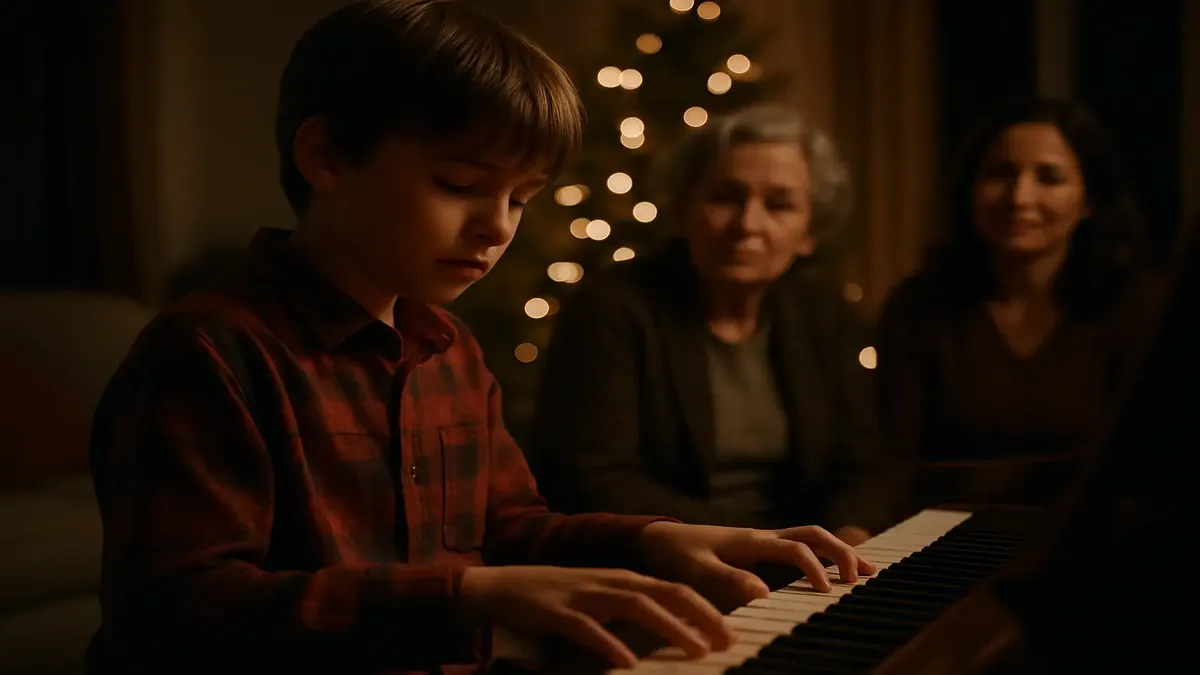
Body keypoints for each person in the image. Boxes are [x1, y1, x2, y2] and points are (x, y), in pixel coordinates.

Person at [86, 2, 874, 674]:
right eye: (459, 185)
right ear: (326, 156)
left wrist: (658, 538)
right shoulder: (210, 349)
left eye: (521, 198)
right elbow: (178, 609)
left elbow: (508, 525)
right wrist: (470, 592)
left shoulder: (447, 345)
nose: (496, 226)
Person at [530, 105, 901, 546]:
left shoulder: (823, 314)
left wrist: (849, 531)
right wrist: (758, 542)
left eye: (779, 204)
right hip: (662, 558)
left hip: (804, 559)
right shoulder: (611, 308)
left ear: (809, 233)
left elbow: (865, 463)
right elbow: (594, 477)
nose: (747, 224)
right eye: (725, 197)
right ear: (685, 210)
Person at [875, 97, 1162, 513]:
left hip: (1090, 542)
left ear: (1089, 200)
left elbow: (1143, 466)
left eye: (1049, 177)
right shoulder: (919, 306)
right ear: (971, 189)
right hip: (941, 541)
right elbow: (895, 464)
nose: (1019, 197)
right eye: (1000, 174)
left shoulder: (1135, 306)